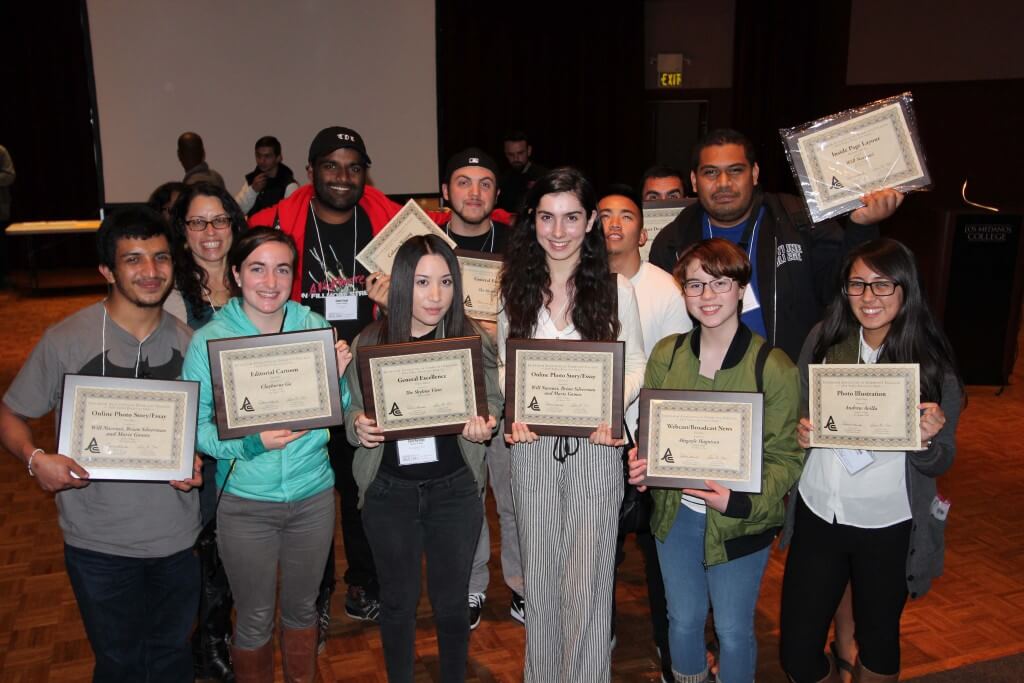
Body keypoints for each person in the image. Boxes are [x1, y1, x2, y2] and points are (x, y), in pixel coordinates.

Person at [0, 206, 203, 682]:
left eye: (161, 257)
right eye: (133, 259)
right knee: (119, 664)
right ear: (107, 270)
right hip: (98, 545)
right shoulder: (66, 340)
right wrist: (35, 460)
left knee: (173, 658)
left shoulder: (192, 343)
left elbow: (206, 431)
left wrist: (200, 464)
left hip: (176, 540)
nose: (151, 272)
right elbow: (10, 413)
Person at [779, 238, 963, 683]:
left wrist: (926, 440)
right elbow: (794, 417)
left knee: (880, 641)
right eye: (857, 284)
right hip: (820, 510)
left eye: (882, 285)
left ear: (906, 289)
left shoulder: (932, 364)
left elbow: (941, 461)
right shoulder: (824, 340)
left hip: (889, 521)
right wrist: (801, 432)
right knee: (797, 651)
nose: (868, 297)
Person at [626, 237, 803, 683]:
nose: (707, 296)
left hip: (740, 523)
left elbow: (786, 458)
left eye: (720, 283)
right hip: (676, 517)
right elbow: (653, 434)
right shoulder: (667, 355)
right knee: (682, 621)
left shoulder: (774, 367)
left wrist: (740, 502)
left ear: (741, 288)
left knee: (732, 629)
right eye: (695, 285)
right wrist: (643, 467)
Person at [182, 227, 353, 682]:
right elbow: (195, 428)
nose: (271, 282)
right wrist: (253, 442)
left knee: (302, 612)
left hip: (313, 497)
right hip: (245, 504)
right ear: (236, 274)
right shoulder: (209, 340)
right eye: (257, 268)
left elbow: (347, 409)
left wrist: (338, 379)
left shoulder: (313, 327)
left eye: (282, 269)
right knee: (254, 617)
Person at [498, 167, 646, 681]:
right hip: (532, 449)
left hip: (595, 451)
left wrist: (611, 411)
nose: (558, 231)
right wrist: (514, 409)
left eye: (571, 218)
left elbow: (638, 365)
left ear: (589, 224)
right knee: (539, 587)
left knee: (587, 589)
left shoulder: (615, 289)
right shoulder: (513, 288)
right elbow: (503, 365)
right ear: (531, 222)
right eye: (546, 217)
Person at [347, 234, 502, 682]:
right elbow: (351, 409)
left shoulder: (470, 337)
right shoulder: (370, 341)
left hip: (455, 489)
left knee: (452, 603)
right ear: (399, 285)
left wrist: (485, 420)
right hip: (388, 492)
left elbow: (492, 398)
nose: (436, 296)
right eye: (421, 283)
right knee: (397, 603)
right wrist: (358, 424)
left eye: (446, 282)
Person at [647, 128, 904, 361]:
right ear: (694, 181)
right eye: (711, 172)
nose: (723, 183)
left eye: (735, 170)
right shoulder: (673, 243)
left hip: (790, 380)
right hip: (707, 387)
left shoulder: (798, 220)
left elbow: (841, 288)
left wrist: (861, 227)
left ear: (754, 174)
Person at [599, 183, 691, 680]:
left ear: (644, 229)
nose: (615, 223)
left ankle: (668, 637)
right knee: (602, 545)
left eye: (626, 215)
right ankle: (602, 628)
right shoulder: (582, 284)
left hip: (653, 436)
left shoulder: (667, 288)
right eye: (605, 214)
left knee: (661, 547)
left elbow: (676, 368)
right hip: (599, 437)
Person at [163, 181, 247, 682]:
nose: (210, 232)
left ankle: (222, 631)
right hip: (198, 438)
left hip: (249, 434)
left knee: (238, 539)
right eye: (197, 222)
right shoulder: (170, 291)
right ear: (183, 230)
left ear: (234, 224)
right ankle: (208, 640)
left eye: (219, 220)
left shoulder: (253, 277)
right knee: (206, 542)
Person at [440, 146, 518, 628]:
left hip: (508, 391)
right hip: (452, 391)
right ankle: (470, 588)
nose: (474, 192)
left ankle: (523, 585)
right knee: (464, 497)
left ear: (496, 194)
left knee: (513, 498)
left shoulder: (519, 243)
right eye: (464, 182)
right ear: (446, 191)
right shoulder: (423, 244)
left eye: (485, 183)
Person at [235, 135, 299, 217]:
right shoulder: (252, 180)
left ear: (278, 158)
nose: (262, 160)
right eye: (258, 156)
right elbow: (235, 212)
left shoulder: (289, 185)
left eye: (267, 156)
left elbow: (290, 218)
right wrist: (253, 190)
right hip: (252, 229)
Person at [496, 130, 549, 214]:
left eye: (520, 153)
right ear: (505, 154)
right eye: (511, 154)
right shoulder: (503, 179)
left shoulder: (543, 176)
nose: (516, 158)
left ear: (529, 151)